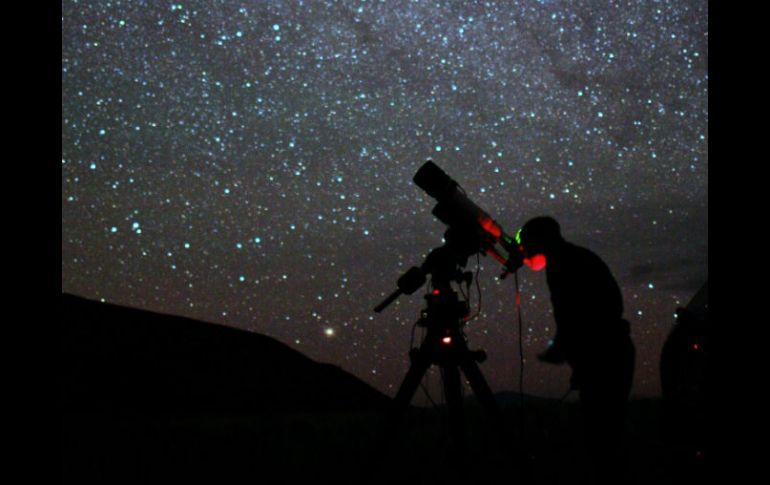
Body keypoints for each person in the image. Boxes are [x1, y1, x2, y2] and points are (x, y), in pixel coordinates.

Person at [515, 216, 635, 484]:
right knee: (608, 435)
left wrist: (568, 352)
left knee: (603, 439)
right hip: (612, 351)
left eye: (527, 242)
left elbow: (573, 316)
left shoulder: (562, 265)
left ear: (541, 239)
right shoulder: (574, 257)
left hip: (605, 356)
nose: (524, 249)